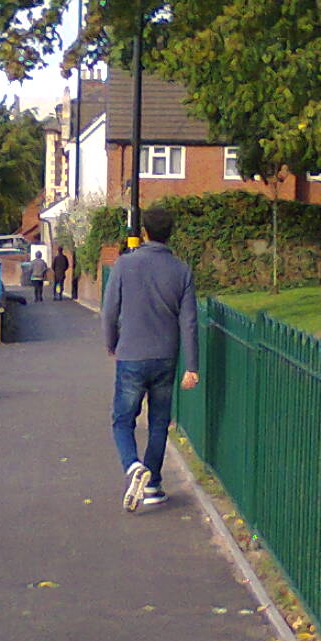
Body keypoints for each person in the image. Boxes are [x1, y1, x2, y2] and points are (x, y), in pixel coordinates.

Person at [101, 208, 198, 511]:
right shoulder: (181, 270)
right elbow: (189, 322)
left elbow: (109, 310)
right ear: (171, 233)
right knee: (158, 422)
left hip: (131, 353)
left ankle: (133, 466)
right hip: (165, 357)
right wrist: (192, 366)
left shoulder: (123, 265)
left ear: (144, 232)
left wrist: (111, 343)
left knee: (122, 420)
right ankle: (153, 485)